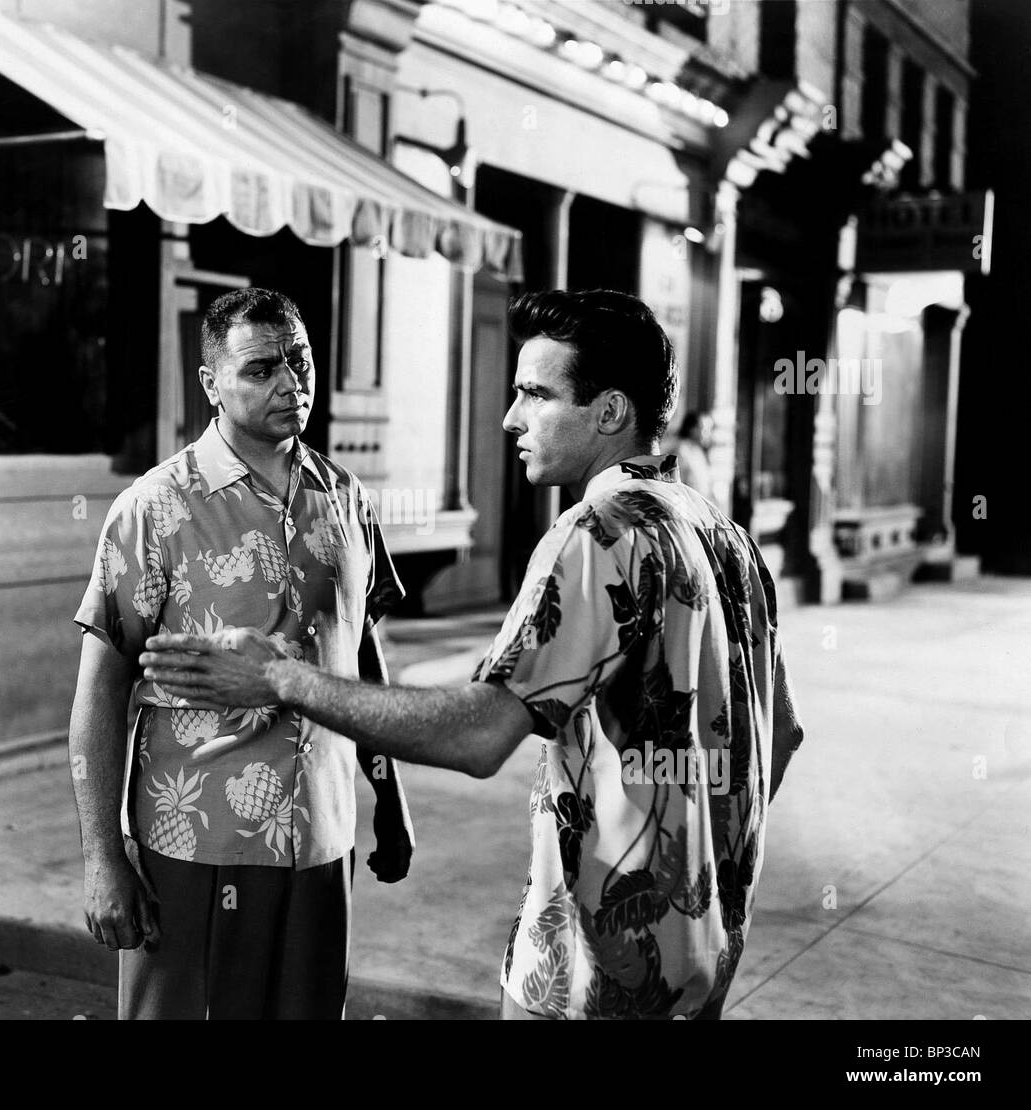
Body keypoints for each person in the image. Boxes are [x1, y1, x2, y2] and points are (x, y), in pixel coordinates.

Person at [143, 289, 806, 1021]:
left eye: (534, 395)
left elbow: (479, 733)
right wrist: (695, 856)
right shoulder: (722, 534)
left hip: (597, 971)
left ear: (610, 412)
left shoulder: (598, 535)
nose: (509, 418)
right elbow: (781, 736)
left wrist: (279, 676)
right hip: (702, 955)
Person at [68, 287, 414, 1020]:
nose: (291, 383)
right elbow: (100, 691)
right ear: (211, 385)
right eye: (261, 369)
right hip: (194, 845)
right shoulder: (156, 509)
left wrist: (389, 793)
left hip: (322, 839)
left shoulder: (345, 498)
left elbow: (360, 649)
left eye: (300, 361)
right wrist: (103, 857)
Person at [664, 410, 715, 502]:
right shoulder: (680, 452)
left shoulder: (698, 452)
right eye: (704, 429)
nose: (708, 434)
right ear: (692, 429)